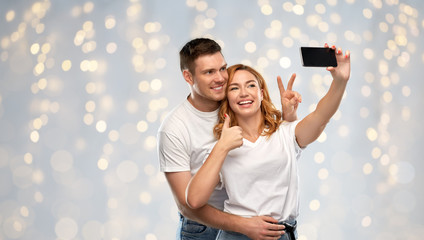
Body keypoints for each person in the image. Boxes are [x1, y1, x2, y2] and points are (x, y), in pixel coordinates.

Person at [185, 44, 351, 239]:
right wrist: (222, 146)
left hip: (282, 234)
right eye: (234, 88)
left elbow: (321, 116)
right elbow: (194, 200)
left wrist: (340, 81)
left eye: (251, 85)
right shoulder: (221, 144)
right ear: (226, 98)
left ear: (261, 93)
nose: (244, 93)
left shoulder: (286, 133)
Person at [157, 38, 300, 239]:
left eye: (222, 68)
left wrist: (289, 118)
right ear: (188, 77)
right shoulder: (174, 128)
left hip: (252, 222)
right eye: (209, 72)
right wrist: (242, 225)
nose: (220, 78)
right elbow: (186, 205)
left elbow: (277, 147)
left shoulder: (239, 99)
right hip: (203, 227)